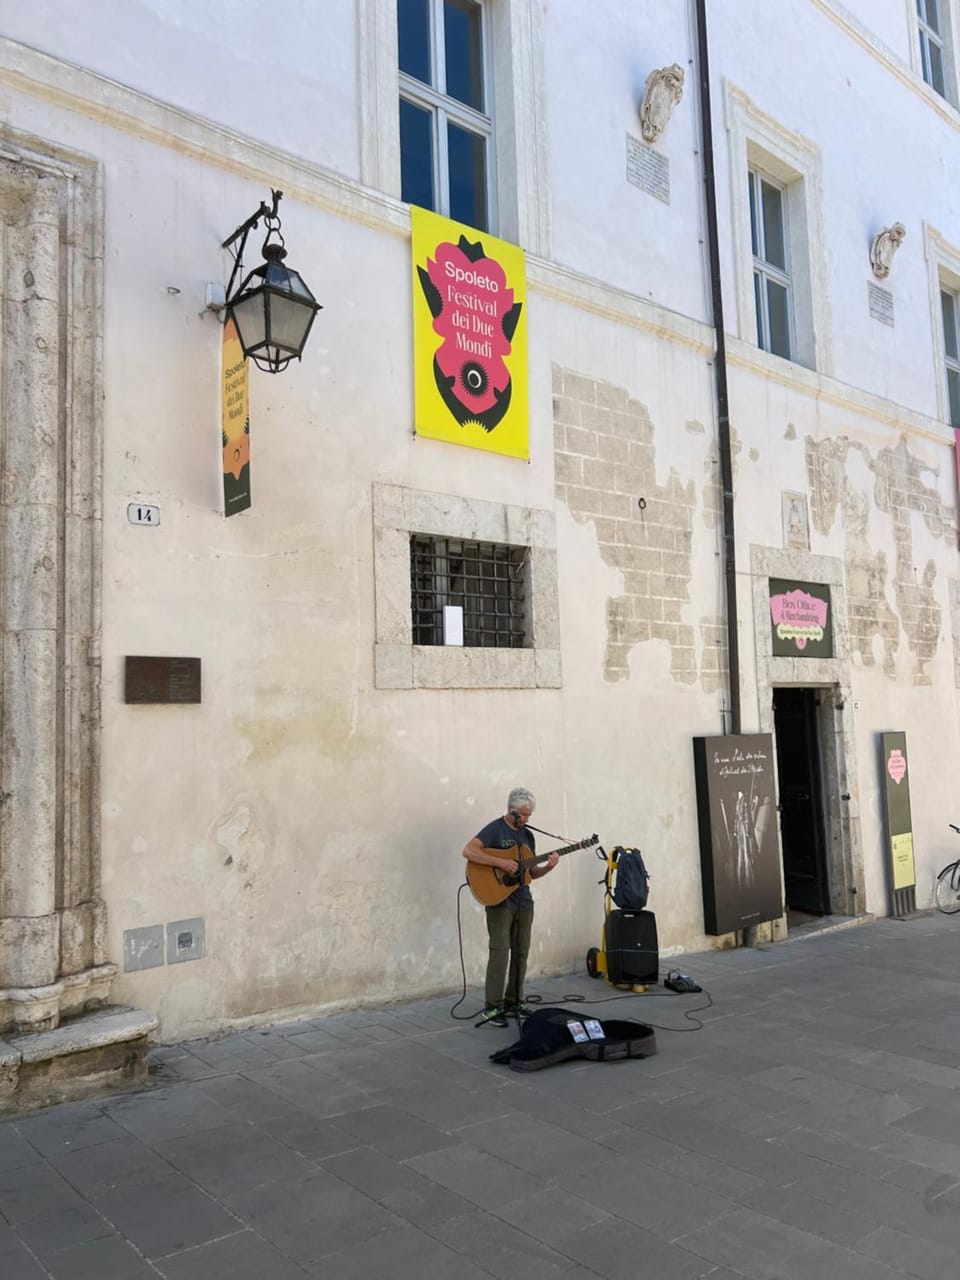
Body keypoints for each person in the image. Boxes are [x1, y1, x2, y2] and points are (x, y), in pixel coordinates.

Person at [462, 787, 559, 1027]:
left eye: (529, 815)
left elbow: (531, 873)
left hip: (524, 901)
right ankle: (492, 1007)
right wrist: (501, 863)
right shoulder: (495, 829)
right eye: (524, 814)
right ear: (512, 811)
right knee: (500, 951)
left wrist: (548, 866)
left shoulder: (527, 836)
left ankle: (514, 1000)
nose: (527, 819)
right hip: (500, 901)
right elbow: (469, 850)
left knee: (521, 951)